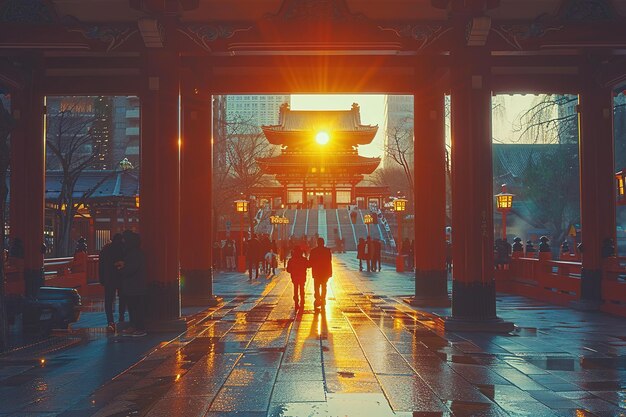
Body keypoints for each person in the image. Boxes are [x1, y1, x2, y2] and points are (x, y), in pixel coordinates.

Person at [119, 230, 147, 337]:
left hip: (136, 286)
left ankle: (140, 328)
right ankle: (133, 326)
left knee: (137, 308)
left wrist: (122, 268)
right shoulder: (133, 252)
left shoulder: (135, 253)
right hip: (132, 286)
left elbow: (132, 268)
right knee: (132, 307)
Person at [99, 233, 126, 332]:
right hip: (121, 278)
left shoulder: (105, 250)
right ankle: (121, 317)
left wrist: (101, 278)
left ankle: (110, 321)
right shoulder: (123, 249)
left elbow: (101, 266)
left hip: (109, 278)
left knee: (109, 300)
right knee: (122, 298)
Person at [308, 237, 332, 309]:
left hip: (316, 271)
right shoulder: (327, 251)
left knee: (316, 286)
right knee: (324, 286)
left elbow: (311, 262)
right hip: (325, 271)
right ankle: (323, 299)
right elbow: (329, 260)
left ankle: (317, 299)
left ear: (317, 243)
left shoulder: (313, 251)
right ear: (323, 243)